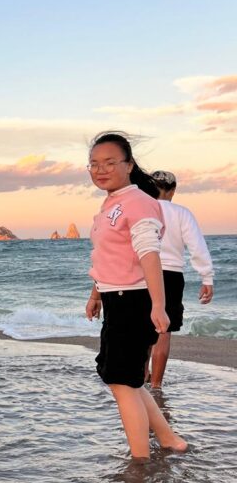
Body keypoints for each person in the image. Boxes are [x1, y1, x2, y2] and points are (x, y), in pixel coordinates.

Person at [84, 133, 187, 460]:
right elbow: (108, 257)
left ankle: (140, 462)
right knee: (128, 380)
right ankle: (169, 440)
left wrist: (158, 305)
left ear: (128, 165)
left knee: (121, 382)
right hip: (116, 299)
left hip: (134, 300)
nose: (100, 170)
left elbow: (148, 254)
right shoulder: (112, 202)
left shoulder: (139, 202)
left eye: (109, 162)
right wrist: (96, 294)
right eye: (94, 164)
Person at [146, 171, 215, 389]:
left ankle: (140, 379)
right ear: (173, 190)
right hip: (170, 274)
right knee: (163, 330)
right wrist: (206, 277)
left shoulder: (141, 210)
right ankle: (156, 385)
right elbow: (197, 246)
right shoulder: (181, 213)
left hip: (141, 272)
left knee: (143, 329)